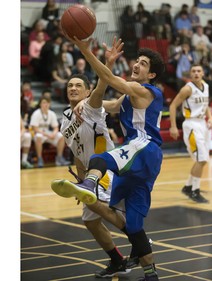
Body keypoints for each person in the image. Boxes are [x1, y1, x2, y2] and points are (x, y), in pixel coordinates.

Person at [52, 33, 165, 280]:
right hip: (138, 160)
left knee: (99, 161)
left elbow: (109, 81)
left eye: (143, 64)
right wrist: (86, 102)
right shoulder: (128, 97)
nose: (136, 64)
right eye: (137, 60)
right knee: (133, 227)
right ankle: (150, 273)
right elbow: (108, 104)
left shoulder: (145, 90)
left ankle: (89, 185)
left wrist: (85, 49)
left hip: (145, 147)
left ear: (152, 75)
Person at [56, 37, 133, 278]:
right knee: (90, 221)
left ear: (87, 91)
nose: (73, 88)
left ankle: (141, 243)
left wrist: (107, 63)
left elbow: (101, 87)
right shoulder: (65, 118)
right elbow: (78, 155)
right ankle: (118, 261)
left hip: (106, 172)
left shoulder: (92, 105)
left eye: (79, 85)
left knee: (105, 210)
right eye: (70, 85)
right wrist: (81, 185)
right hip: (89, 176)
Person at [168, 64, 212, 203]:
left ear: (203, 73)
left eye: (199, 71)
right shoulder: (187, 89)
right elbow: (172, 106)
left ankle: (188, 187)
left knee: (201, 159)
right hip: (191, 124)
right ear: (190, 74)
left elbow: (205, 106)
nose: (196, 73)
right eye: (193, 71)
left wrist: (210, 117)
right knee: (202, 159)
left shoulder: (205, 86)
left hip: (202, 124)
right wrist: (173, 126)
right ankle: (195, 191)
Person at [29, 96, 70, 168]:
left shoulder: (51, 113)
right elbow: (35, 128)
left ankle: (59, 158)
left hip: (47, 132)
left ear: (49, 104)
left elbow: (56, 127)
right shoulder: (36, 113)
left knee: (61, 136)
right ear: (40, 104)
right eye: (44, 103)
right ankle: (39, 159)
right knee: (39, 136)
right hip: (38, 133)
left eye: (47, 103)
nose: (46, 104)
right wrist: (48, 135)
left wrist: (54, 133)